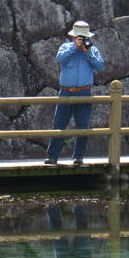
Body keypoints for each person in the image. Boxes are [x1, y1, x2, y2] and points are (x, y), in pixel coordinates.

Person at [45, 21, 105, 167]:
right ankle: (52, 157)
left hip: (85, 92)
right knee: (59, 125)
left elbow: (100, 66)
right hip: (66, 92)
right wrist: (74, 47)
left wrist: (88, 52)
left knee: (83, 126)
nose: (82, 40)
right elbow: (60, 59)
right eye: (80, 37)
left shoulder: (92, 50)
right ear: (73, 37)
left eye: (84, 37)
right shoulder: (66, 47)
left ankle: (78, 157)